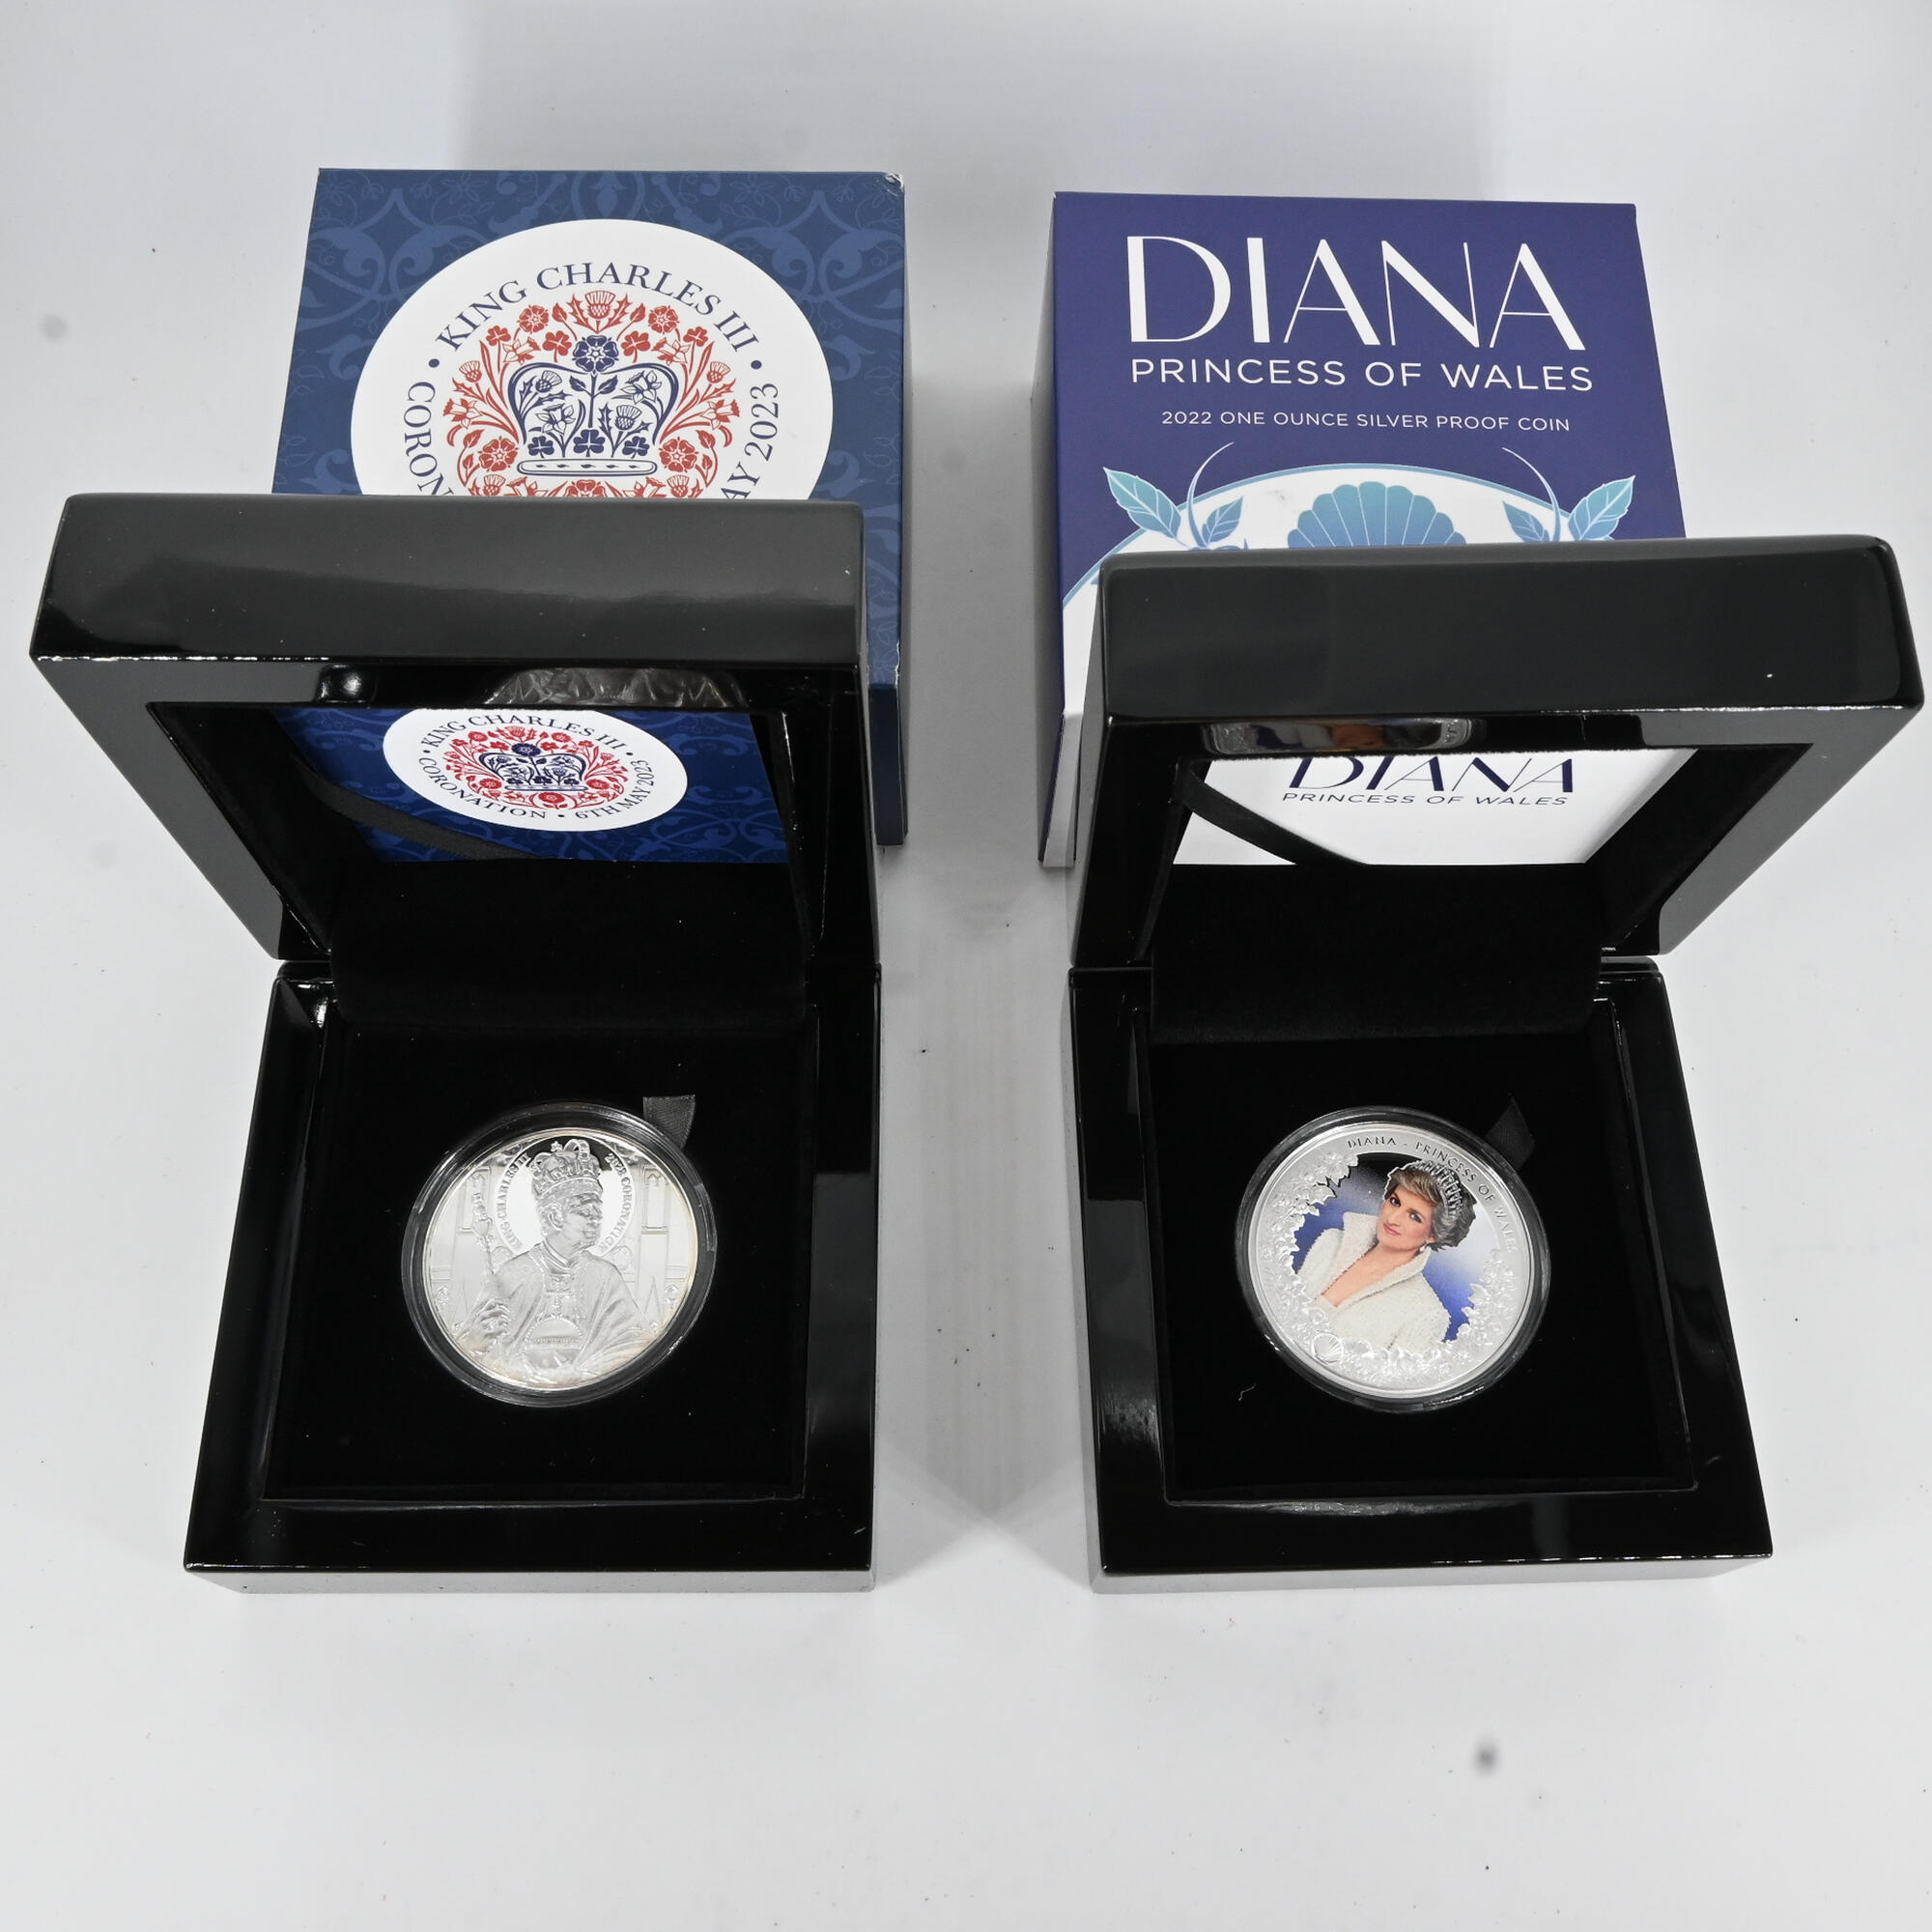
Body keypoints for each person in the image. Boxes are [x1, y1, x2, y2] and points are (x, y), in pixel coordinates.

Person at [457, 1138, 648, 1382]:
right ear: (555, 1217)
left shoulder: (604, 1275)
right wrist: (477, 1342)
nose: (597, 1218)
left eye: (597, 1210)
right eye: (584, 1211)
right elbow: (475, 1346)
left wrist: (580, 1375)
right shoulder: (514, 1274)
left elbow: (632, 1342)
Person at [1293, 1161, 1476, 1354]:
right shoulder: (1330, 1242)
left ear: (1433, 1235)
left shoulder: (1426, 1313)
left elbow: (1396, 1374)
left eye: (1414, 1216)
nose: (1393, 1219)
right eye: (1395, 1202)